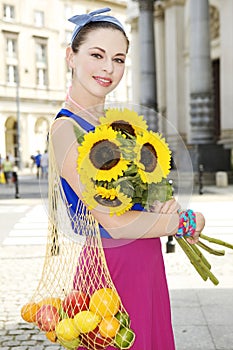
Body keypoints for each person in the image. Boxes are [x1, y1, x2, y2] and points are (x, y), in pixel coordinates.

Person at [50, 8, 205, 349]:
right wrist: (182, 223)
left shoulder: (116, 128)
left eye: (118, 59)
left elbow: (140, 197)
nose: (108, 68)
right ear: (70, 57)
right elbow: (114, 222)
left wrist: (164, 204)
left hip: (146, 263)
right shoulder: (66, 130)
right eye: (97, 55)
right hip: (111, 269)